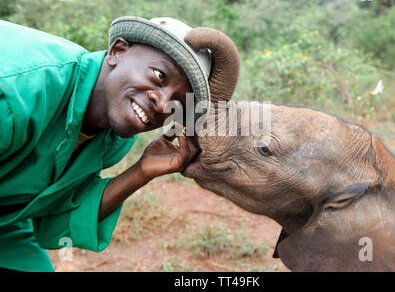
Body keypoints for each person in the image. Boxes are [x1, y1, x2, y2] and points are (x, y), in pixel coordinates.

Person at [0, 16, 239, 271]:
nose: (161, 104)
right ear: (118, 51)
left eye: (177, 103)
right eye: (159, 76)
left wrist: (141, 172)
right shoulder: (20, 93)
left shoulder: (113, 139)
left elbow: (54, 218)